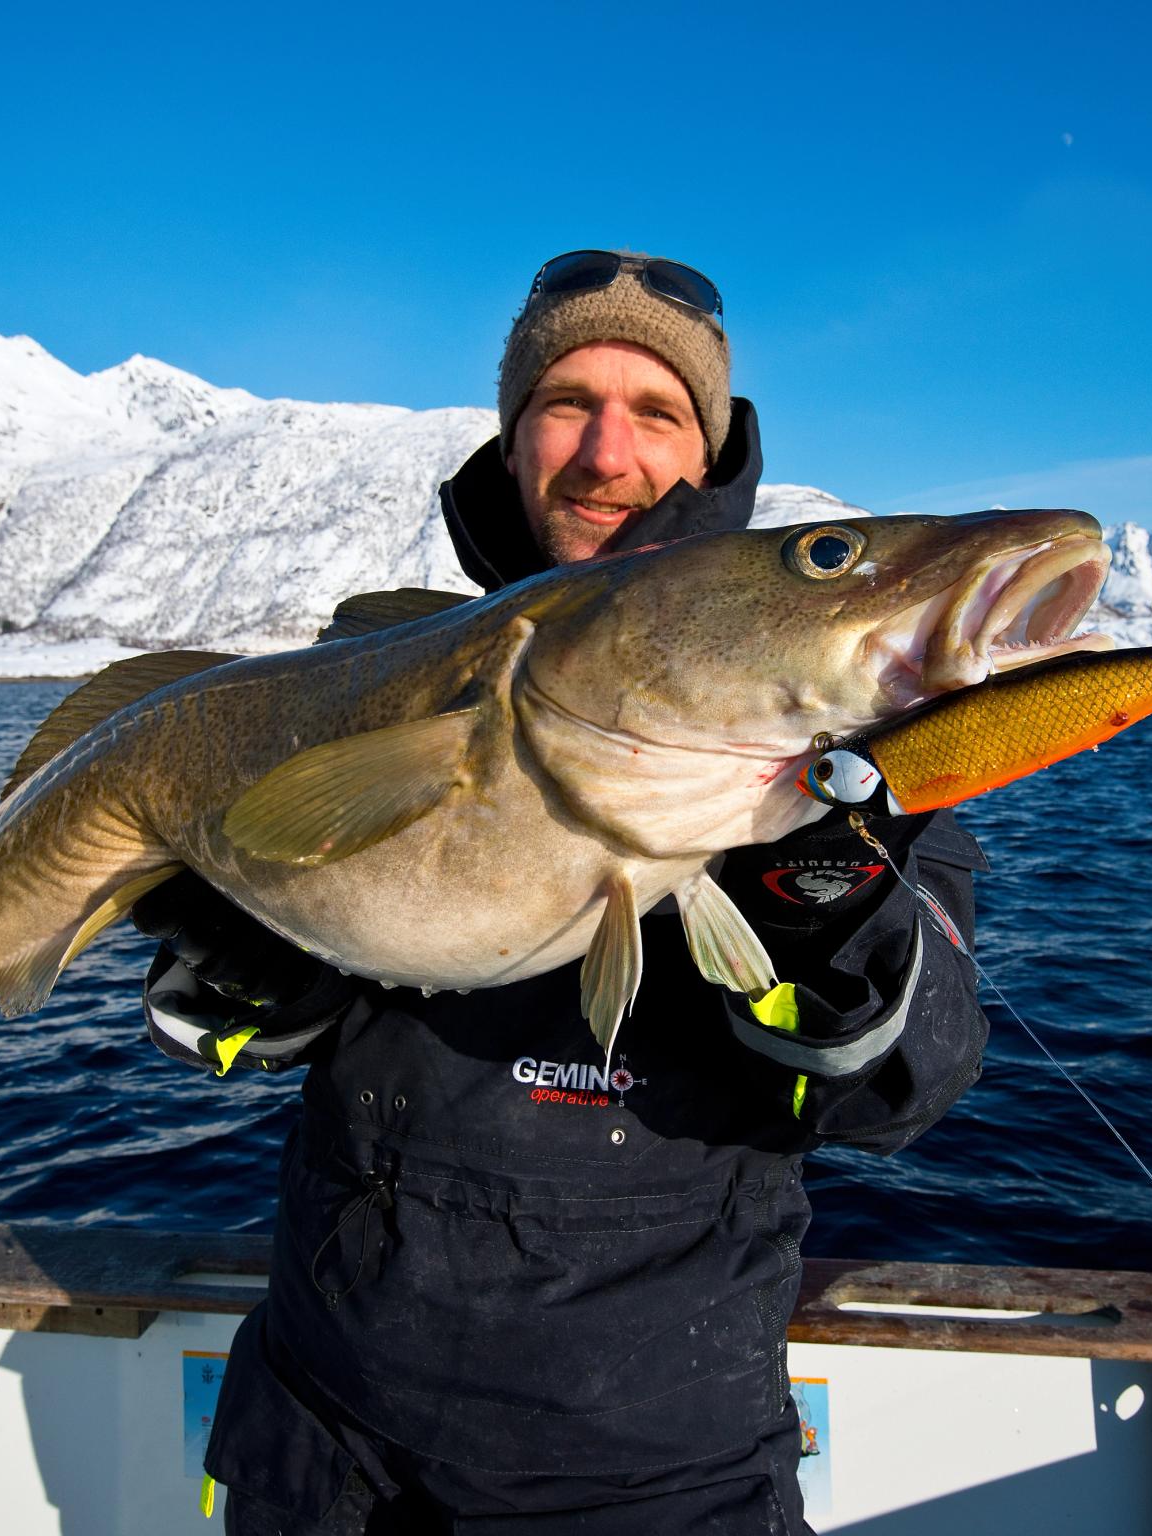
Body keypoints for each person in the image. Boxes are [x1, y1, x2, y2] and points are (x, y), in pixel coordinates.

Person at [133, 250, 992, 1535]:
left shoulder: (854, 738)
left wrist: (829, 919)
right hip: (318, 1446)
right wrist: (246, 944)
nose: (605, 452)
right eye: (564, 404)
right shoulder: (373, 671)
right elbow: (220, 1033)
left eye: (656, 413)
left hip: (653, 1476)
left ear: (707, 455)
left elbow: (901, 1086)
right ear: (511, 436)